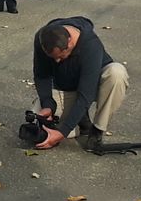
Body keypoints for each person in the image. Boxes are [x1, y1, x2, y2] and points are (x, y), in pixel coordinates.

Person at [30, 16, 129, 151]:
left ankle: (97, 130)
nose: (57, 61)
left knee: (117, 73)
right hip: (67, 90)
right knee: (38, 119)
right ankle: (81, 121)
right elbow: (42, 76)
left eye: (60, 56)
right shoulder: (42, 38)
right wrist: (48, 104)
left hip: (94, 88)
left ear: (70, 42)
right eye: (53, 58)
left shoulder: (91, 46)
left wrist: (62, 132)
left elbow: (86, 94)